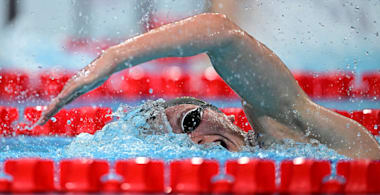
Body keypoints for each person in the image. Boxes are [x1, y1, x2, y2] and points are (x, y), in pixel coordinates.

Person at [35, 13, 380, 159]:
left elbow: (222, 33)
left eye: (189, 122)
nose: (195, 140)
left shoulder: (283, 126)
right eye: (180, 143)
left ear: (221, 114)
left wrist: (111, 59)